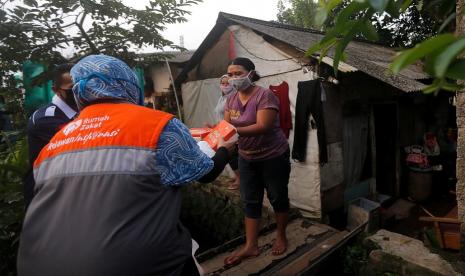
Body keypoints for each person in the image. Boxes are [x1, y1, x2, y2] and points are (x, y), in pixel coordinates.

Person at [17, 55, 234, 276]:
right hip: (132, 264)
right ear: (128, 84)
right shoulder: (157, 124)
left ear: (79, 91)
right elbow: (205, 173)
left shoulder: (57, 140)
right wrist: (226, 147)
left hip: (38, 263)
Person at [223, 57, 291, 266]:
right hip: (247, 157)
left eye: (239, 73)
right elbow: (226, 126)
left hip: (273, 156)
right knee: (250, 200)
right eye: (231, 74)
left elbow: (264, 126)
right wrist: (215, 132)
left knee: (277, 197)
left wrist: (232, 131)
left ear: (251, 73)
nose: (234, 78)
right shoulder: (231, 99)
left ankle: (281, 235)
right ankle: (251, 245)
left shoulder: (265, 95)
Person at [23, 63, 78, 209]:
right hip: (46, 195)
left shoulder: (81, 111)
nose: (78, 92)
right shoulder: (46, 119)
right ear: (56, 90)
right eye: (72, 89)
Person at [213, 75, 240, 190]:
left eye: (227, 83)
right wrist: (214, 126)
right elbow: (220, 116)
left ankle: (240, 179)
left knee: (232, 154)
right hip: (223, 129)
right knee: (228, 154)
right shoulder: (222, 98)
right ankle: (238, 176)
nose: (224, 86)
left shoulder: (234, 97)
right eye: (222, 83)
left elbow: (235, 116)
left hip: (231, 130)